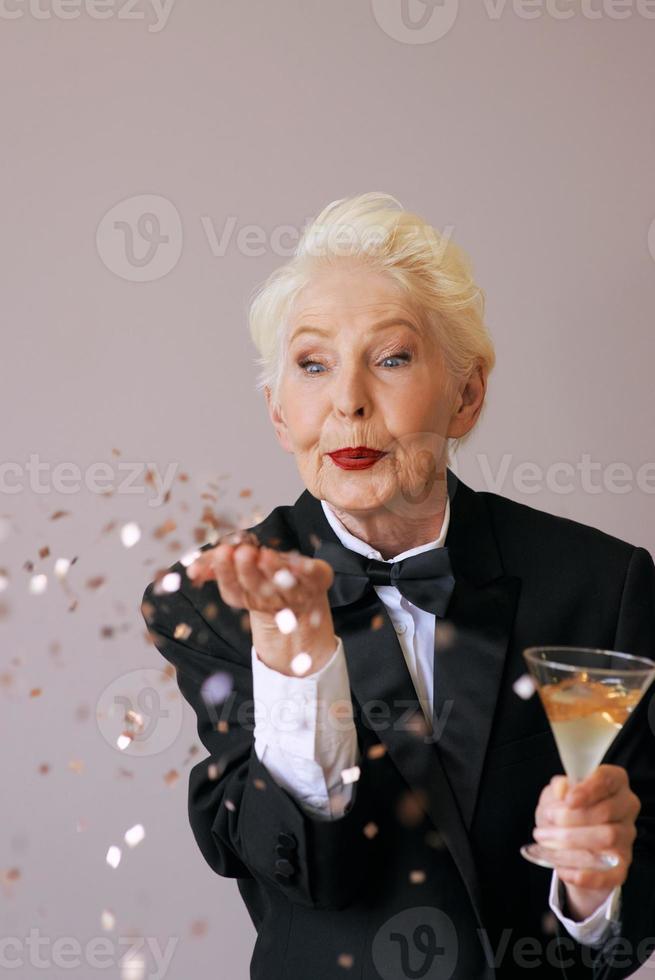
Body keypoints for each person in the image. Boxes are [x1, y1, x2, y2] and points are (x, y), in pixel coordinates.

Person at [141, 192, 655, 979]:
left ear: (467, 394)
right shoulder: (214, 598)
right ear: (280, 414)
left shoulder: (600, 583)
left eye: (391, 358)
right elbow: (291, 866)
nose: (347, 399)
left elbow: (629, 921)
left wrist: (591, 890)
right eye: (312, 365)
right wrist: (296, 661)